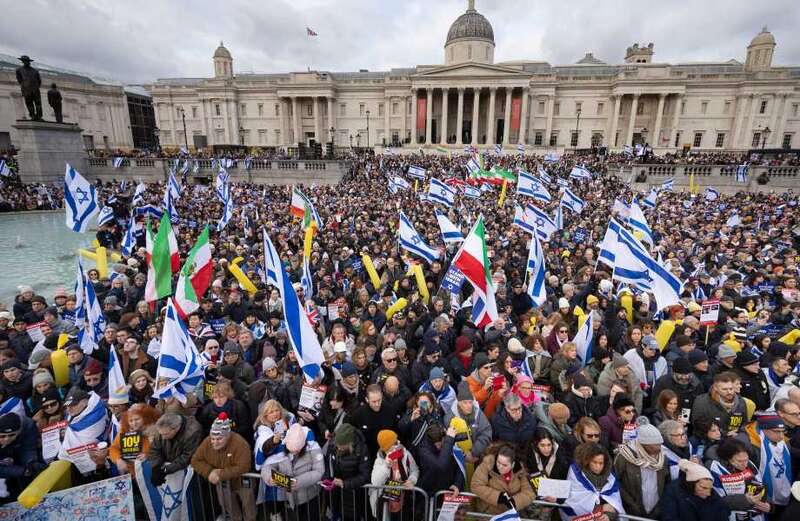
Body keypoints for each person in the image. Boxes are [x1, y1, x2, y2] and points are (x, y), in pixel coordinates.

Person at [191, 413, 255, 521]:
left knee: (249, 510)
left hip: (242, 481)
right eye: (213, 438)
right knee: (229, 508)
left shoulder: (240, 443)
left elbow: (244, 466)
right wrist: (209, 472)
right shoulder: (207, 442)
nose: (215, 442)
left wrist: (220, 474)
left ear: (227, 436)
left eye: (219, 439)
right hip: (223, 483)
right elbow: (195, 460)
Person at [262, 423, 324, 521]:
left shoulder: (314, 448)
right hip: (290, 498)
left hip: (310, 496)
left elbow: (319, 471)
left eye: (297, 451)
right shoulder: (281, 448)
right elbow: (267, 466)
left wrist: (298, 481)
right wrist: (269, 477)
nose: (293, 453)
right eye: (291, 450)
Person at [613, 423, 669, 518]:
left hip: (655, 511)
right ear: (642, 444)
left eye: (659, 444)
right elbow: (614, 482)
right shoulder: (625, 457)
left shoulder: (663, 458)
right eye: (653, 446)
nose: (658, 448)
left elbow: (667, 482)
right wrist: (631, 503)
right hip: (632, 510)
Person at [562, 442, 624, 521]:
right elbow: (575, 501)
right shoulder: (576, 473)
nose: (597, 467)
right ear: (587, 461)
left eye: (601, 463)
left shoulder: (610, 478)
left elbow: (615, 503)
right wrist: (601, 508)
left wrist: (608, 516)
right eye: (594, 462)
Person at [322, 423, 371, 521]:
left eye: (342, 446)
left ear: (350, 443)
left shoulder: (361, 449)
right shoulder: (333, 444)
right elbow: (328, 463)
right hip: (336, 493)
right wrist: (327, 478)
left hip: (353, 494)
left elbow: (365, 475)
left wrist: (345, 483)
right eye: (338, 445)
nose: (339, 448)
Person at [471, 443, 535, 515]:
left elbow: (530, 492)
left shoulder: (520, 470)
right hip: (489, 513)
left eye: (504, 465)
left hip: (511, 515)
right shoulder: (487, 464)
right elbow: (476, 485)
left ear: (513, 464)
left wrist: (515, 501)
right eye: (498, 462)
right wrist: (498, 497)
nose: (500, 467)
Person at [368, 429, 419, 519]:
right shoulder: (380, 460)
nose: (398, 443)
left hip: (403, 501)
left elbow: (415, 470)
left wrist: (412, 480)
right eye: (395, 443)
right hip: (384, 503)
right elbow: (375, 482)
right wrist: (386, 466)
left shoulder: (405, 453)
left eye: (397, 441)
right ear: (387, 448)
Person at [660, 459, 731, 521]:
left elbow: (723, 512)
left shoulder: (712, 494)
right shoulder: (673, 490)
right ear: (692, 484)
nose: (708, 493)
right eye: (703, 488)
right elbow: (669, 517)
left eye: (710, 488)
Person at [147, 413, 203, 486]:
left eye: (166, 434)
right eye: (161, 434)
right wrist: (156, 467)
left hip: (192, 473)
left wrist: (166, 470)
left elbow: (187, 457)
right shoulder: (162, 429)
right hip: (173, 463)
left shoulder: (193, 432)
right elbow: (154, 450)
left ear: (176, 428)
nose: (163, 437)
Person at [0, 413, 44, 503]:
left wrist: (31, 462)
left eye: (11, 435)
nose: (6, 439)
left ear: (19, 431)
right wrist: (21, 471)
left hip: (15, 451)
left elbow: (28, 448)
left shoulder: (28, 425)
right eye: (2, 436)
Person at [108, 403, 160, 475]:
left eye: (137, 419)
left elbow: (163, 451)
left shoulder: (155, 430)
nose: (134, 423)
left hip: (153, 472)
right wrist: (118, 460)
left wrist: (148, 455)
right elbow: (113, 449)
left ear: (145, 417)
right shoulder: (125, 430)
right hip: (133, 474)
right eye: (131, 421)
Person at [415, 423, 464, 496]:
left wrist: (457, 484)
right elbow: (441, 466)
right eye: (439, 444)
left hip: (449, 491)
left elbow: (460, 463)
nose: (441, 446)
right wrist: (449, 440)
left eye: (442, 442)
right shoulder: (424, 450)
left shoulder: (449, 443)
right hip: (429, 494)